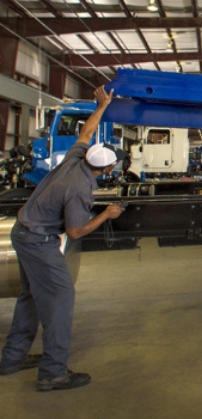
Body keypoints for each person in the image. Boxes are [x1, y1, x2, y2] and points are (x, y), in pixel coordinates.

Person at [0, 86, 126, 391]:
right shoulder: (80, 188)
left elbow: (85, 132)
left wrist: (102, 106)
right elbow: (74, 232)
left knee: (30, 295)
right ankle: (53, 372)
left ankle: (12, 358)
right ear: (106, 168)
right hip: (38, 242)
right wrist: (105, 215)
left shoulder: (75, 159)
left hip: (24, 232)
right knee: (61, 297)